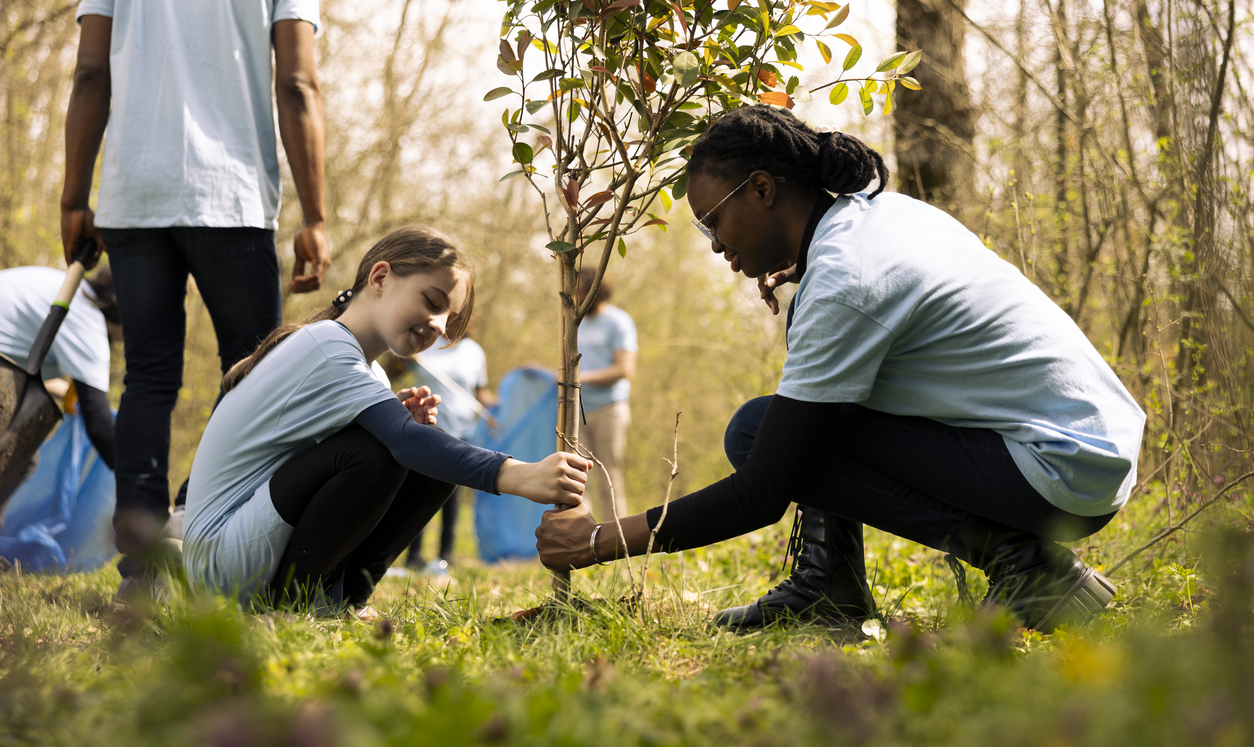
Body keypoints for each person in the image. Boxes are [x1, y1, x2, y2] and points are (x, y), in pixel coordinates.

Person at [537, 105, 1146, 634]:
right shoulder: (876, 218)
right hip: (1090, 447)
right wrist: (805, 284)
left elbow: (764, 491)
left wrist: (596, 541)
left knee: (756, 432)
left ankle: (1026, 567)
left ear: (762, 188)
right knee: (794, 417)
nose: (716, 243)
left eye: (713, 220)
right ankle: (831, 585)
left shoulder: (846, 277)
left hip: (1057, 470)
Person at [59, 0, 332, 595]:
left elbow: (90, 75)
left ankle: (144, 565)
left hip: (134, 193)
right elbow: (297, 85)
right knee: (253, 373)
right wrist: (316, 213)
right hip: (230, 197)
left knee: (148, 379)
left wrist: (74, 197)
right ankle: (199, 525)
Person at [183, 227, 590, 614]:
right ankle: (292, 604)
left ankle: (343, 600)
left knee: (429, 461)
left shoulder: (367, 369)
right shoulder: (328, 346)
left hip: (250, 547)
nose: (439, 326)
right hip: (220, 564)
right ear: (380, 278)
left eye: (449, 319)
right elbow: (398, 442)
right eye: (433, 303)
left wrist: (391, 425)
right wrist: (519, 475)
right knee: (386, 451)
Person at [0, 264, 122, 472]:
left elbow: (25, 370)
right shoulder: (88, 324)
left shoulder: (72, 290)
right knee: (18, 460)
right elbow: (100, 427)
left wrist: (69, 395)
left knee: (25, 461)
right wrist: (142, 484)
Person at [396, 326, 495, 577]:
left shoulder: (474, 351)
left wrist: (500, 407)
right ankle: (413, 556)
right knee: (418, 491)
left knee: (449, 495)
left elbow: (480, 390)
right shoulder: (425, 343)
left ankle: (445, 555)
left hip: (462, 432)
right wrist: (398, 357)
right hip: (427, 428)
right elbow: (394, 370)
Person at [575, 269, 638, 519]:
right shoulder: (575, 322)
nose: (576, 294)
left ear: (594, 291)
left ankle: (616, 541)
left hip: (609, 408)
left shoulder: (618, 322)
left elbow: (625, 369)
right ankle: (582, 537)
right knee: (578, 479)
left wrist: (582, 378)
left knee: (609, 477)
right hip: (578, 411)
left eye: (580, 289)